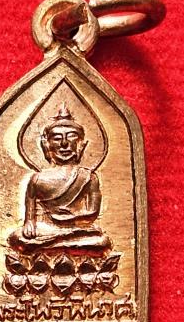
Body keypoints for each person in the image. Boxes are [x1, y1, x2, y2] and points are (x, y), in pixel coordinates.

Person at [8, 104, 111, 255]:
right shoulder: (37, 178)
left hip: (78, 229)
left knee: (102, 241)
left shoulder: (88, 177)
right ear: (46, 145)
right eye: (57, 138)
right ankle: (65, 246)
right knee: (17, 238)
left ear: (81, 145)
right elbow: (30, 215)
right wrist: (29, 223)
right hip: (46, 229)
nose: (64, 144)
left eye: (71, 137)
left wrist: (71, 218)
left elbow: (92, 212)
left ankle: (56, 246)